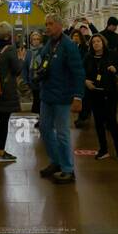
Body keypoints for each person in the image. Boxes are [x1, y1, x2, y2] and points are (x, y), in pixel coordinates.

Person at [35, 14, 84, 183]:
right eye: (46, 24)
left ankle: (68, 169)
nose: (47, 27)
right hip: (47, 94)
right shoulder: (49, 44)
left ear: (59, 25)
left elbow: (78, 72)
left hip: (63, 96)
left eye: (50, 24)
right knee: (44, 128)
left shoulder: (69, 45)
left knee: (62, 133)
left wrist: (78, 96)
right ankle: (56, 161)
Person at [84, 32, 118, 160]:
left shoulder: (111, 55)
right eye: (94, 42)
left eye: (98, 41)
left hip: (109, 93)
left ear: (103, 43)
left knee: (112, 121)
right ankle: (103, 149)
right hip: (95, 93)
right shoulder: (88, 57)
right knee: (98, 122)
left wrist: (115, 68)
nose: (96, 44)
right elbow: (81, 72)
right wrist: (85, 81)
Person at [0, 22, 23, 164]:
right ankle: (0, 152)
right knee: (3, 122)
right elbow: (17, 70)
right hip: (6, 90)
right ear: (9, 35)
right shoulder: (10, 49)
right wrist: (21, 59)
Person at [22, 29, 45, 114]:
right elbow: (25, 67)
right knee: (36, 100)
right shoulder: (29, 52)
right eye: (34, 39)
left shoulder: (44, 51)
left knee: (40, 102)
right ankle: (35, 119)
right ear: (31, 41)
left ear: (40, 40)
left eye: (37, 39)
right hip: (32, 80)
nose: (36, 41)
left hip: (42, 81)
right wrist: (25, 80)